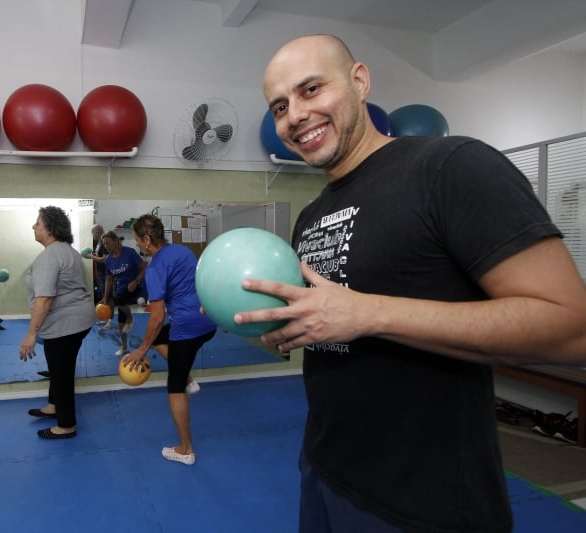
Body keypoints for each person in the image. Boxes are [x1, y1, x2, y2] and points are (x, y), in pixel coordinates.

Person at [234, 34, 586, 532]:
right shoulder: (311, 216)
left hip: (427, 504)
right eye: (279, 106)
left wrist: (369, 313)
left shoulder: (450, 167)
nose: (294, 115)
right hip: (324, 470)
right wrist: (285, 325)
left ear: (359, 82)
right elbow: (332, 326)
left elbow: (573, 327)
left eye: (311, 89)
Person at [123, 214, 216, 466]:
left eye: (137, 240)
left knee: (174, 389)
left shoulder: (154, 268)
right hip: (208, 321)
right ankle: (189, 379)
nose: (137, 245)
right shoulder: (182, 251)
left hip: (187, 329)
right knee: (161, 338)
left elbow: (157, 316)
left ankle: (185, 450)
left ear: (147, 239)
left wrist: (140, 350)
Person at [20, 206, 94, 439]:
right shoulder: (68, 251)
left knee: (61, 373)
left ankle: (66, 425)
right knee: (59, 368)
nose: (34, 226)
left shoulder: (49, 256)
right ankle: (54, 406)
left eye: (38, 223)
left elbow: (44, 298)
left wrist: (31, 334)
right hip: (79, 320)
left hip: (65, 323)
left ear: (50, 229)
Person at [100, 230, 146, 356]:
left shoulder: (129, 252)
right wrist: (104, 298)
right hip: (122, 289)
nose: (106, 246)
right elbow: (109, 280)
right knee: (121, 324)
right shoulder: (108, 260)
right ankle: (124, 347)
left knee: (118, 301)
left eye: (108, 243)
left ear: (116, 241)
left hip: (137, 286)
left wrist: (136, 280)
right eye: (104, 244)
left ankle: (130, 318)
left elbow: (144, 266)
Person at [84, 224, 108, 309]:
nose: (92, 235)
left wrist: (90, 256)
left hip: (105, 274)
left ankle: (108, 319)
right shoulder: (99, 243)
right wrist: (92, 255)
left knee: (106, 297)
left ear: (97, 232)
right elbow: (98, 255)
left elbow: (104, 259)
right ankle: (105, 318)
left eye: (93, 233)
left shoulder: (105, 242)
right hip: (100, 273)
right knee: (102, 296)